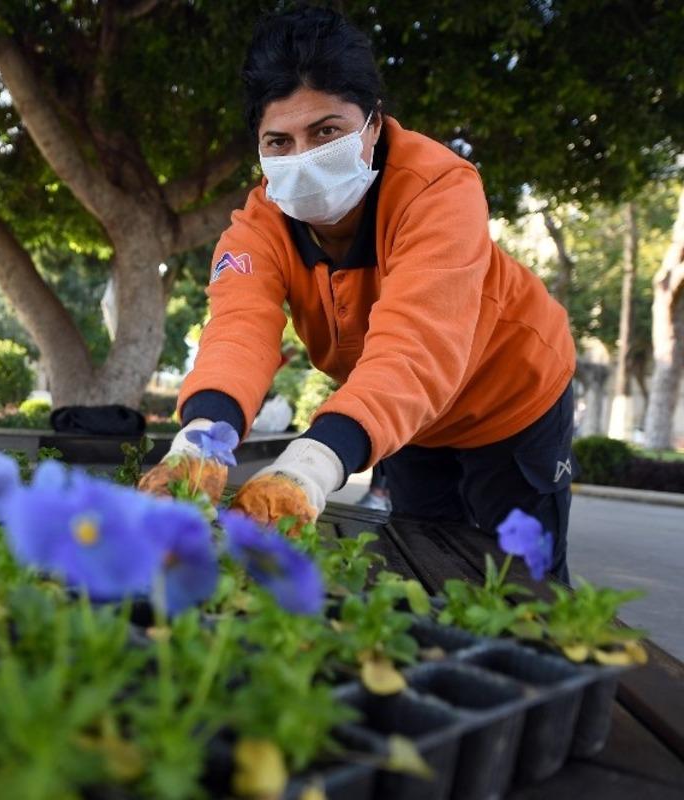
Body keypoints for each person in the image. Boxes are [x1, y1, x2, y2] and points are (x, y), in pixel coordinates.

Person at [139, 5, 576, 582]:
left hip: (512, 400)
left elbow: (414, 346)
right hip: (408, 421)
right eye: (279, 140)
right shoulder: (256, 227)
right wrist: (201, 441)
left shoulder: (440, 191)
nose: (304, 160)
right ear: (259, 147)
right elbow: (238, 329)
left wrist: (313, 464)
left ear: (372, 124)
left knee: (527, 587)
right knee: (428, 568)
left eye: (326, 132)